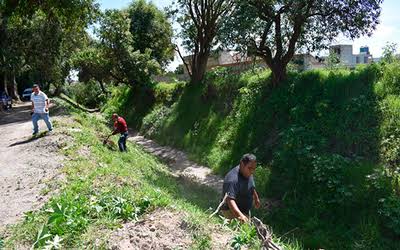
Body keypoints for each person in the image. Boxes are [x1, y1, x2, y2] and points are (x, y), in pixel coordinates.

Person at [220, 153, 261, 222]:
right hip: (231, 212)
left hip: (243, 211)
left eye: (254, 169)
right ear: (242, 164)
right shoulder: (232, 179)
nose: (252, 171)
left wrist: (256, 198)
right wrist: (240, 215)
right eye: (250, 168)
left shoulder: (247, 172)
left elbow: (251, 186)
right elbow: (230, 200)